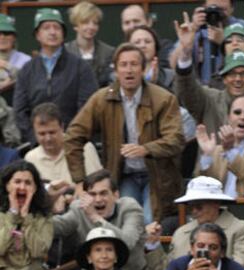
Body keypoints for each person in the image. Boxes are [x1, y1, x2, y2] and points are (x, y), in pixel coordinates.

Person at [64, 43, 184, 224]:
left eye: (134, 64)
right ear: (116, 70)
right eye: (124, 65)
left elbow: (176, 140)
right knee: (129, 221)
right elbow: (73, 136)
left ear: (143, 69)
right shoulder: (101, 99)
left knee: (149, 221)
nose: (129, 70)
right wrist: (80, 181)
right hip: (123, 175)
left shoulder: (163, 99)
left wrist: (146, 149)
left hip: (157, 177)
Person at [13, 8, 98, 145]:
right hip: (37, 145)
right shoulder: (27, 70)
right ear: (37, 35)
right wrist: (37, 139)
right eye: (46, 28)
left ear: (63, 34)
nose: (52, 32)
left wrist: (69, 137)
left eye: (57, 28)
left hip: (74, 143)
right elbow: (20, 111)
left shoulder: (80, 67)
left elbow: (88, 107)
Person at [173, 14, 244, 136]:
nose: (238, 79)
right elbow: (186, 90)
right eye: (232, 74)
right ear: (224, 79)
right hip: (211, 154)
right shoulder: (209, 100)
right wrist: (185, 52)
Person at [52, 169, 149, 270]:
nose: (98, 200)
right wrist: (49, 199)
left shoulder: (130, 207)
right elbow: (55, 227)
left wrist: (95, 218)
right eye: (92, 194)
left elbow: (127, 242)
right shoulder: (79, 209)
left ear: (116, 195)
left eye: (103, 193)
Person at [170, 0, 244, 85]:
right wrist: (189, 38)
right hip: (201, 91)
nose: (216, 13)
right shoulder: (196, 30)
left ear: (232, 9)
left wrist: (224, 43)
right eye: (211, 8)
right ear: (204, 8)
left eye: (222, 9)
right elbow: (174, 65)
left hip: (234, 88)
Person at [169, 176, 244, 267]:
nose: (194, 211)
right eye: (190, 207)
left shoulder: (241, 229)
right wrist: (153, 246)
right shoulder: (180, 233)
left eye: (198, 206)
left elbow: (240, 266)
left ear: (216, 203)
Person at [0, 160, 53, 270]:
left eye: (28, 183)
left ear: (35, 188)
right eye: (17, 182)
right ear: (7, 185)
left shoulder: (43, 218)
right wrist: (13, 214)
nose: (22, 187)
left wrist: (25, 218)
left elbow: (38, 252)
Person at [195, 94, 244, 198]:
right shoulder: (217, 150)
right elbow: (200, 188)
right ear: (228, 117)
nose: (242, 117)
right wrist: (207, 155)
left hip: (243, 209)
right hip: (217, 208)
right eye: (237, 112)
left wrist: (231, 153)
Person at [24, 102, 101, 188]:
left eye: (52, 132)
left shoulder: (84, 148)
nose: (48, 138)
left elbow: (97, 186)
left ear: (62, 127)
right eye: (42, 134)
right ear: (34, 132)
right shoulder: (31, 158)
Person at [65, 1, 115, 88]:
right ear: (76, 25)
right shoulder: (65, 51)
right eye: (85, 22)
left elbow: (111, 84)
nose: (91, 27)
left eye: (95, 23)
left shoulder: (108, 52)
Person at [120, 4, 173, 69]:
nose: (132, 26)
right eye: (127, 23)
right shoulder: (118, 52)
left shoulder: (164, 47)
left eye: (136, 21)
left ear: (149, 22)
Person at [0, 14, 30, 90]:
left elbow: (30, 79)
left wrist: (8, 66)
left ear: (14, 38)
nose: (2, 37)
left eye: (7, 33)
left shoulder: (25, 59)